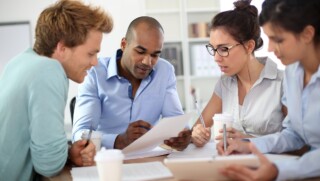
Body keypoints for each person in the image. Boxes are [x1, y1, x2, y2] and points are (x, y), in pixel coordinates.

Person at [0, 0, 113, 180]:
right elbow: (49, 164)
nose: (95, 62)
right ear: (62, 48)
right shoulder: (49, 71)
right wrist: (64, 153)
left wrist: (69, 152)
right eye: (91, 54)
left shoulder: (18, 62)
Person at [217, 0, 320, 180]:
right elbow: (294, 135)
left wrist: (279, 171)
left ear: (307, 34)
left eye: (278, 40)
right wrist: (249, 145)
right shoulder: (293, 73)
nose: (270, 49)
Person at [72, 16, 191, 151]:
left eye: (155, 55)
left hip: (147, 158)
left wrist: (182, 136)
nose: (147, 62)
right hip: (107, 159)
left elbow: (176, 120)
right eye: (140, 52)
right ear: (124, 44)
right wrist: (119, 140)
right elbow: (80, 135)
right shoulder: (94, 73)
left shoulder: (165, 71)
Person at [191, 0, 286, 147]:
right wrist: (197, 134)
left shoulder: (282, 83)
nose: (216, 58)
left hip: (272, 166)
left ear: (249, 46)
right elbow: (197, 127)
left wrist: (248, 140)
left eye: (224, 49)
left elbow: (300, 144)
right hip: (232, 165)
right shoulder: (224, 84)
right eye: (213, 49)